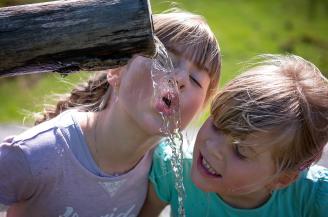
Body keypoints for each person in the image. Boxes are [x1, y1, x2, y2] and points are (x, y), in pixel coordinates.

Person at [0, 11, 221, 217]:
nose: (180, 79)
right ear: (116, 70)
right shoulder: (38, 153)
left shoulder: (162, 171)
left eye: (195, 80)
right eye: (164, 60)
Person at [140, 54, 328, 217]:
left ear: (281, 179)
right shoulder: (173, 169)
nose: (213, 148)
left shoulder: (313, 198)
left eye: (240, 150)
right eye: (217, 125)